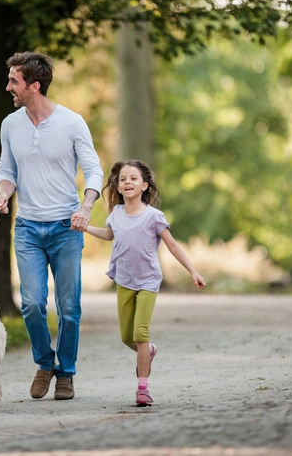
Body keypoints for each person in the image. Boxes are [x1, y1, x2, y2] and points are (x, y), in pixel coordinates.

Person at [0, 51, 104, 401]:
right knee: (31, 303)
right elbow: (7, 170)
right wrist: (4, 194)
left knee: (69, 308)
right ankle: (45, 363)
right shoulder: (10, 124)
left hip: (65, 228)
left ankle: (66, 373)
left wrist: (86, 206)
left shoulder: (72, 122)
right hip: (27, 228)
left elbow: (94, 170)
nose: (8, 86)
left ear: (34, 86)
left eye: (14, 81)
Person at [85, 159, 206, 407]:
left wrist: (192, 271)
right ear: (118, 188)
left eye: (133, 178)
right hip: (124, 280)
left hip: (148, 281)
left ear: (144, 185)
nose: (127, 182)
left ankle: (142, 389)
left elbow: (172, 245)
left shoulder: (153, 216)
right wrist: (85, 227)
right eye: (123, 180)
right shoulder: (116, 214)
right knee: (126, 337)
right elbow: (109, 235)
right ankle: (148, 350)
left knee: (140, 334)